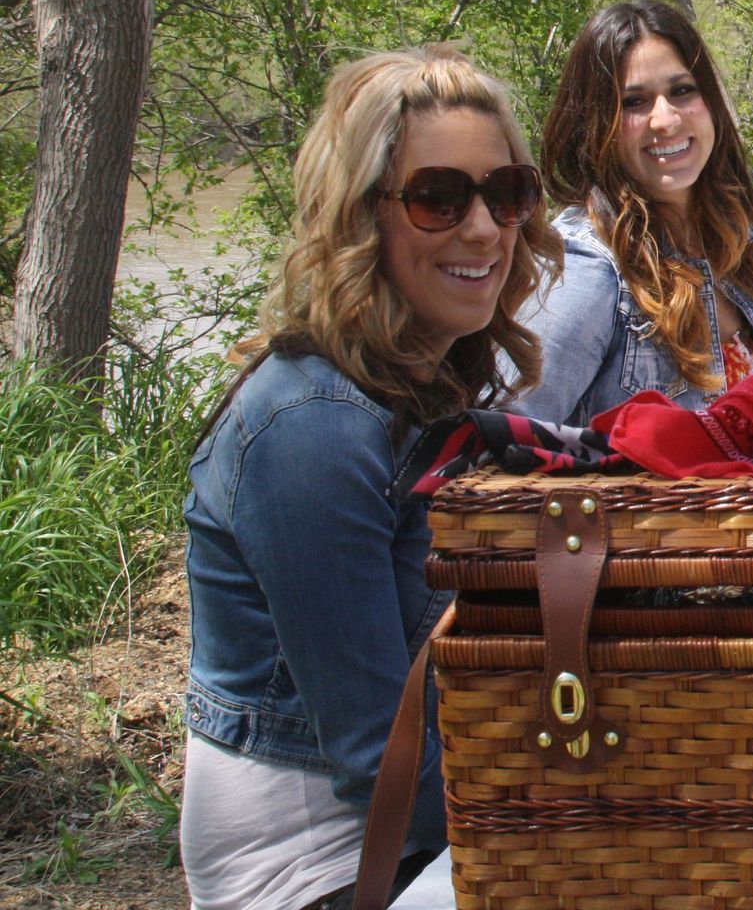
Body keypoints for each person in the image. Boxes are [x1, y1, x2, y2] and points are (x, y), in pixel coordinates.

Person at [181, 48, 561, 910]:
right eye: (438, 197)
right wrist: (607, 802)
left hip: (404, 839)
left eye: (504, 194)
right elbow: (385, 766)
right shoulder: (311, 429)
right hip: (322, 874)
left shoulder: (418, 396)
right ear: (358, 217)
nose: (484, 229)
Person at [513, 0, 753, 424]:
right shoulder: (584, 270)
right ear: (595, 123)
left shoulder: (729, 245)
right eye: (634, 102)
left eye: (682, 91)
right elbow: (502, 450)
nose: (664, 119)